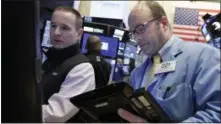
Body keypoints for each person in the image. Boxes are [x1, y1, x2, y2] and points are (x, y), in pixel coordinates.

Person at [117, 1, 220, 123]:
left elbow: (216, 114)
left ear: (163, 23)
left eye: (141, 28)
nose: (137, 38)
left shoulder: (204, 57)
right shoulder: (137, 74)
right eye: (133, 33)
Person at [41, 6, 95, 122]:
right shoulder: (50, 59)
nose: (56, 33)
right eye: (53, 26)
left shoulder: (82, 68)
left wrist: (20, 111)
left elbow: (55, 115)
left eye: (65, 28)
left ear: (79, 34)